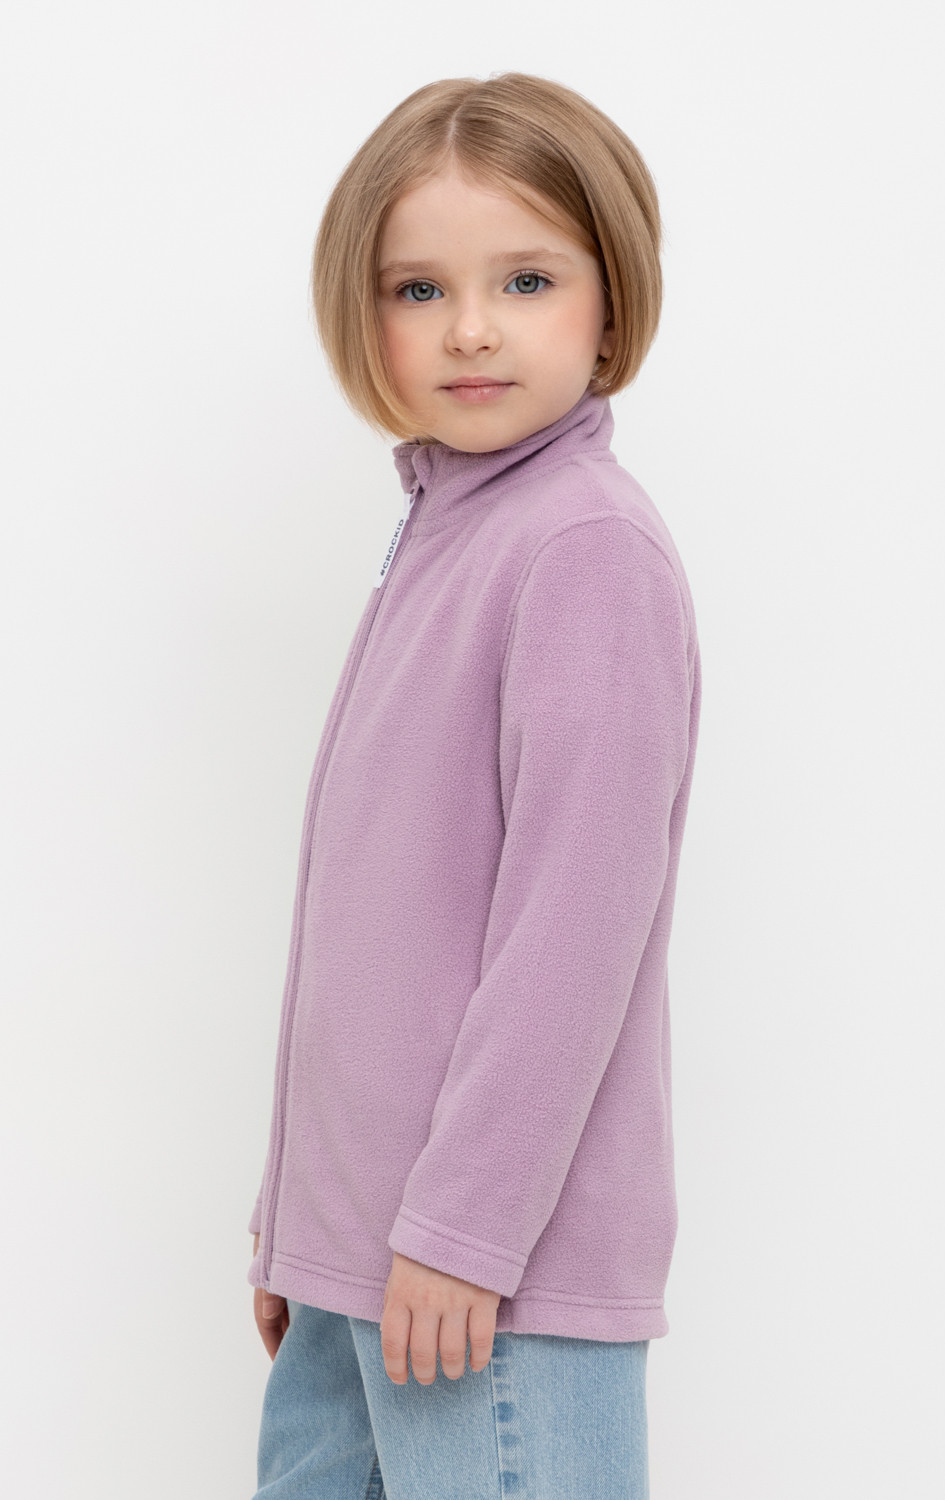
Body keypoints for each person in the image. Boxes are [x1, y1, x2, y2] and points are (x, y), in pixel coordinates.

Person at [245, 70, 702, 1499]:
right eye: (419, 289)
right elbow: (368, 927)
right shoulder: (449, 530)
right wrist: (294, 1218)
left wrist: (464, 1228)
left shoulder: (581, 549)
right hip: (359, 1264)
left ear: (610, 303)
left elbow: (574, 932)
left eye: (527, 279)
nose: (473, 328)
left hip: (487, 1284)